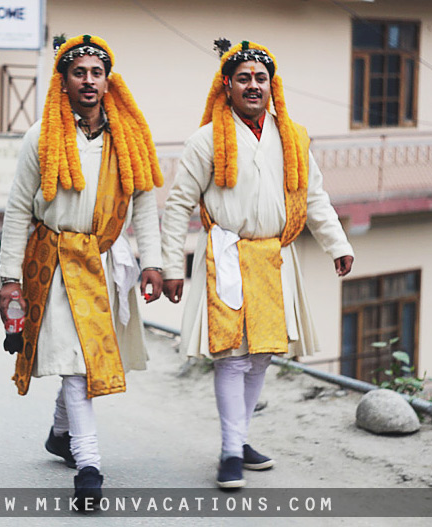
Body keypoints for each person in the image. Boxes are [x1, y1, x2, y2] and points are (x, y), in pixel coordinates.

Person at [160, 39, 354, 489]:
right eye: (243, 78)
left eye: (260, 78)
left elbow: (314, 198)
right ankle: (230, 452)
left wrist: (337, 244)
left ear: (272, 86)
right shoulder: (205, 140)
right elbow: (177, 207)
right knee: (231, 356)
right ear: (226, 85)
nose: (253, 85)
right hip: (227, 255)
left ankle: (239, 437)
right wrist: (172, 267)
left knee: (262, 355)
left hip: (275, 258)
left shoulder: (293, 136)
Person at [0, 34, 164, 508]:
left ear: (108, 80)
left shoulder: (126, 137)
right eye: (79, 72)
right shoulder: (41, 138)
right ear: (63, 81)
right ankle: (88, 468)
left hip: (104, 262)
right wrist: (10, 278)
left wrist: (151, 262)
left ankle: (59, 433)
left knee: (80, 359)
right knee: (76, 363)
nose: (88, 81)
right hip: (52, 262)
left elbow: (145, 205)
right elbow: (15, 210)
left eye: (96, 72)